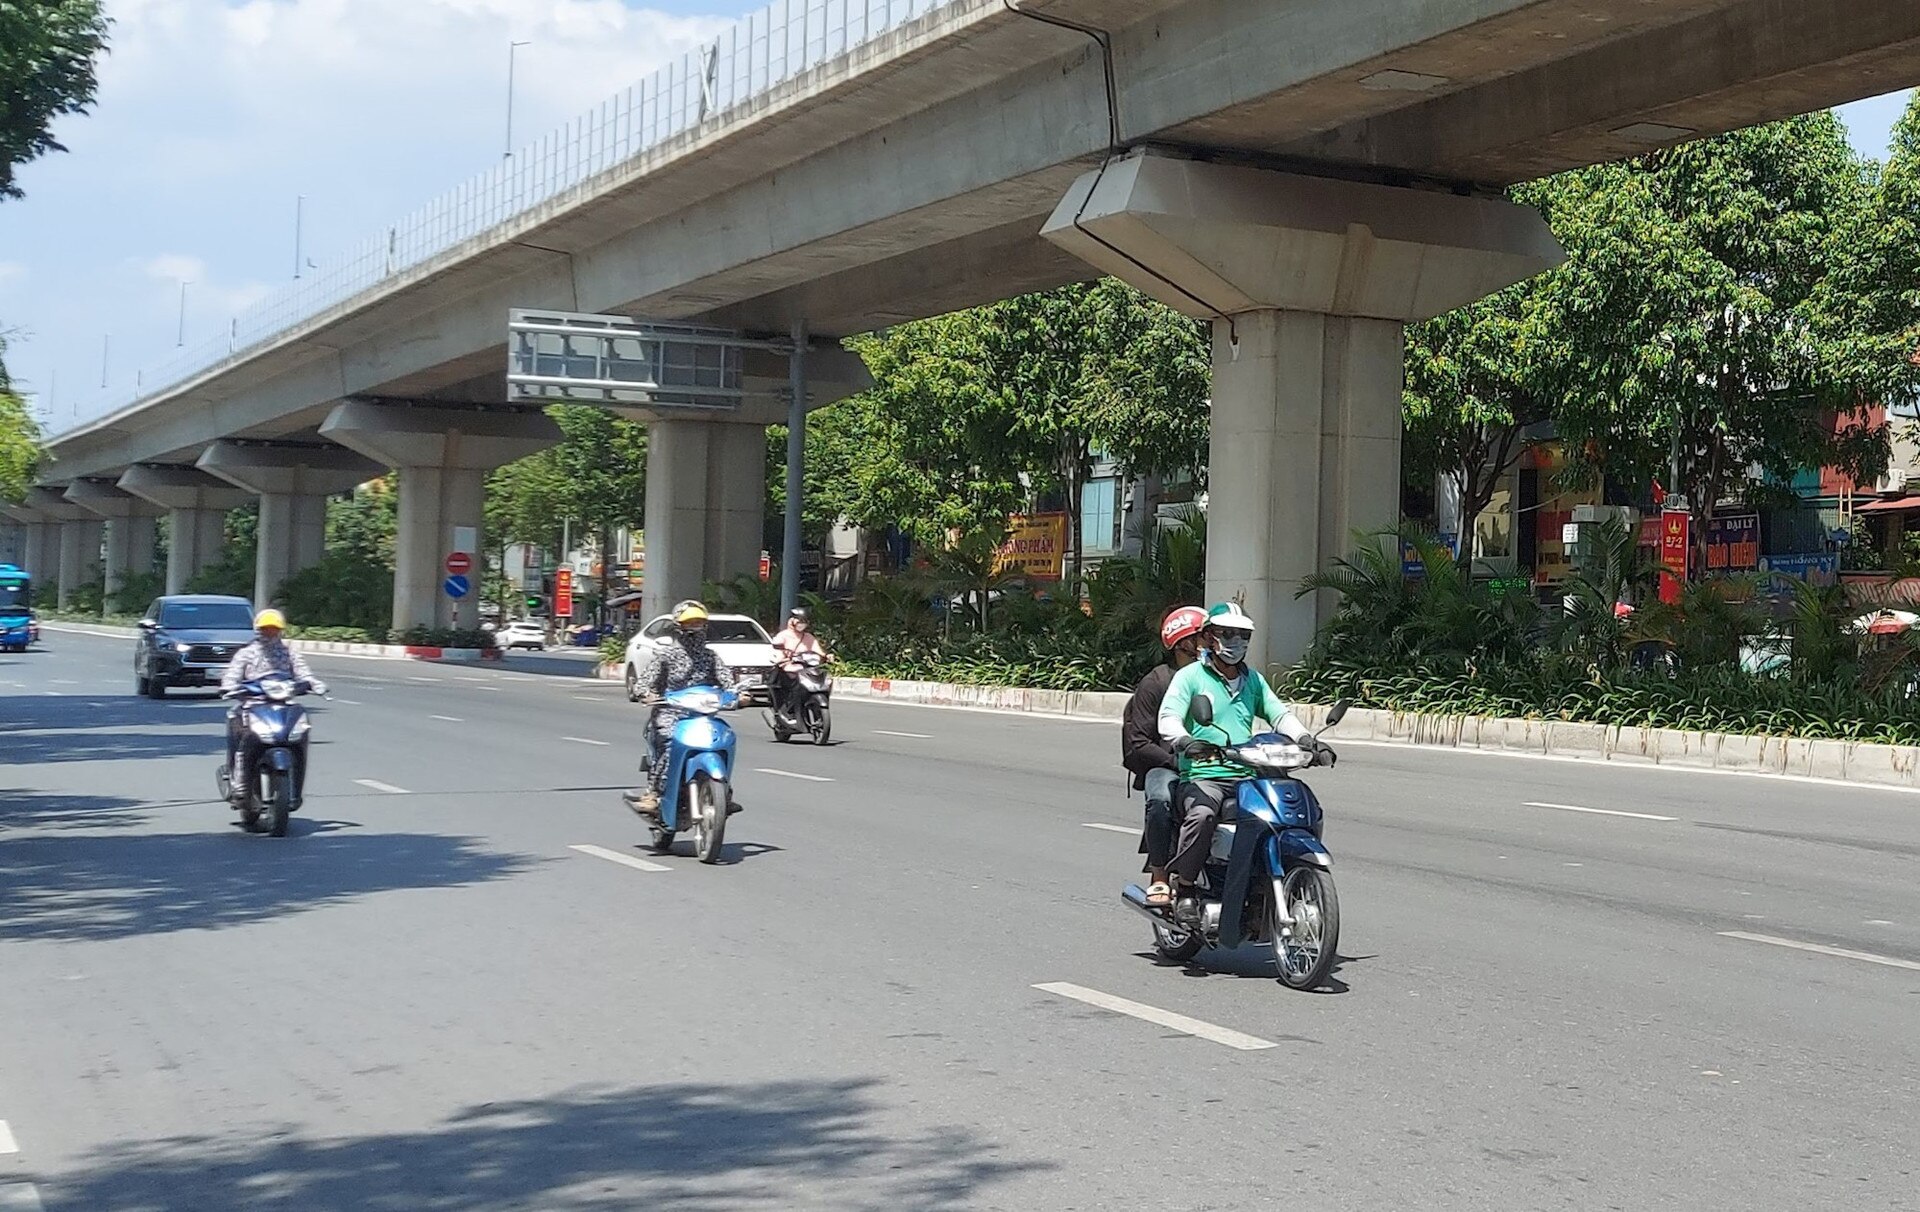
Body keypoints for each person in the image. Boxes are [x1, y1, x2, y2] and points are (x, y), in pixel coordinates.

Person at [1156, 603, 1315, 920]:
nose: (1235, 641)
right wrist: (1187, 741)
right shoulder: (1191, 677)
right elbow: (1169, 718)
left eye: (1242, 635)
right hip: (1204, 775)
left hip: (1245, 774)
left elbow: (1279, 713)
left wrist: (1307, 739)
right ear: (1208, 637)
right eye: (1227, 634)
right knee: (1202, 815)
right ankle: (1186, 886)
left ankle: (1262, 886)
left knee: (1281, 814)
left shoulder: (1252, 681)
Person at [1121, 606, 1208, 908]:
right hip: (1166, 764)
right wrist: (1174, 761)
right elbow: (1139, 743)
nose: (1208, 642)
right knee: (1160, 799)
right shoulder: (1155, 683)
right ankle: (1159, 875)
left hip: (1214, 763)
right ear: (1182, 642)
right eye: (1201, 637)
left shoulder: (1218, 678)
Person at [630, 600, 735, 816]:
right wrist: (646, 694)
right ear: (678, 626)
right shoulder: (667, 656)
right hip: (670, 713)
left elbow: (728, 683)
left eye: (699, 622)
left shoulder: (711, 657)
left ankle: (725, 791)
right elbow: (644, 682)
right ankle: (654, 793)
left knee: (725, 738)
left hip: (702, 714)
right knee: (669, 741)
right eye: (690, 623)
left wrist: (737, 695)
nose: (695, 627)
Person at [220, 608, 326, 805]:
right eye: (265, 628)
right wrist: (230, 687)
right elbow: (232, 675)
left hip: (283, 704)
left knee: (301, 729)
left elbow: (303, 673)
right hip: (253, 704)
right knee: (243, 732)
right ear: (257, 630)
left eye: (273, 629)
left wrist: (314, 684)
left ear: (280, 631)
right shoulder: (246, 653)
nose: (269, 632)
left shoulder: (289, 653)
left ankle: (295, 786)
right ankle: (240, 783)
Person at [769, 606, 828, 717]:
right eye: (799, 620)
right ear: (792, 621)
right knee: (795, 686)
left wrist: (826, 656)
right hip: (788, 669)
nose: (801, 624)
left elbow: (817, 649)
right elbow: (776, 649)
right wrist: (784, 656)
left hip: (806, 668)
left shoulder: (808, 637)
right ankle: (788, 711)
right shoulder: (783, 635)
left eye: (804, 621)